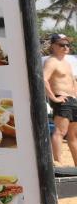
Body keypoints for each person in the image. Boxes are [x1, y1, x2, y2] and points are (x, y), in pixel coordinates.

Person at [43, 34, 77, 164]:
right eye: (61, 45)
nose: (65, 47)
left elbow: (73, 82)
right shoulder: (52, 61)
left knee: (73, 136)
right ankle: (58, 164)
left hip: (72, 100)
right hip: (61, 98)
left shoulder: (67, 63)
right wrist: (53, 98)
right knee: (60, 131)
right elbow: (44, 79)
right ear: (53, 46)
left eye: (67, 44)